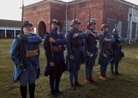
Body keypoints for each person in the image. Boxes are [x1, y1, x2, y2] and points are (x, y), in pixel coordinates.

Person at [10, 20, 42, 98]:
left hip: (34, 64)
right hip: (24, 65)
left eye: (30, 27)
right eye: (26, 27)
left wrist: (27, 39)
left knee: (32, 82)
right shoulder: (19, 38)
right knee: (23, 83)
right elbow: (13, 52)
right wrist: (17, 63)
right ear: (23, 28)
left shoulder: (35, 36)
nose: (29, 28)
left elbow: (40, 40)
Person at [43, 19, 67, 97]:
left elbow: (65, 41)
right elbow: (46, 50)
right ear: (50, 25)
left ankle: (57, 89)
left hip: (60, 58)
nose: (55, 25)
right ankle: (52, 90)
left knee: (59, 74)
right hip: (53, 59)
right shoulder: (47, 36)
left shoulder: (60, 34)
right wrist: (49, 61)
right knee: (53, 75)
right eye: (53, 24)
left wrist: (55, 41)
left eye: (56, 24)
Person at [65, 19, 88, 90]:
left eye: (78, 24)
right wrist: (70, 54)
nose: (77, 25)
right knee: (72, 68)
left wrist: (78, 35)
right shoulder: (69, 32)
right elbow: (67, 43)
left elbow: (86, 34)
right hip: (73, 52)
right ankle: (71, 83)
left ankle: (76, 81)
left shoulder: (79, 32)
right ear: (72, 25)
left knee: (77, 67)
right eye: (76, 24)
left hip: (79, 52)